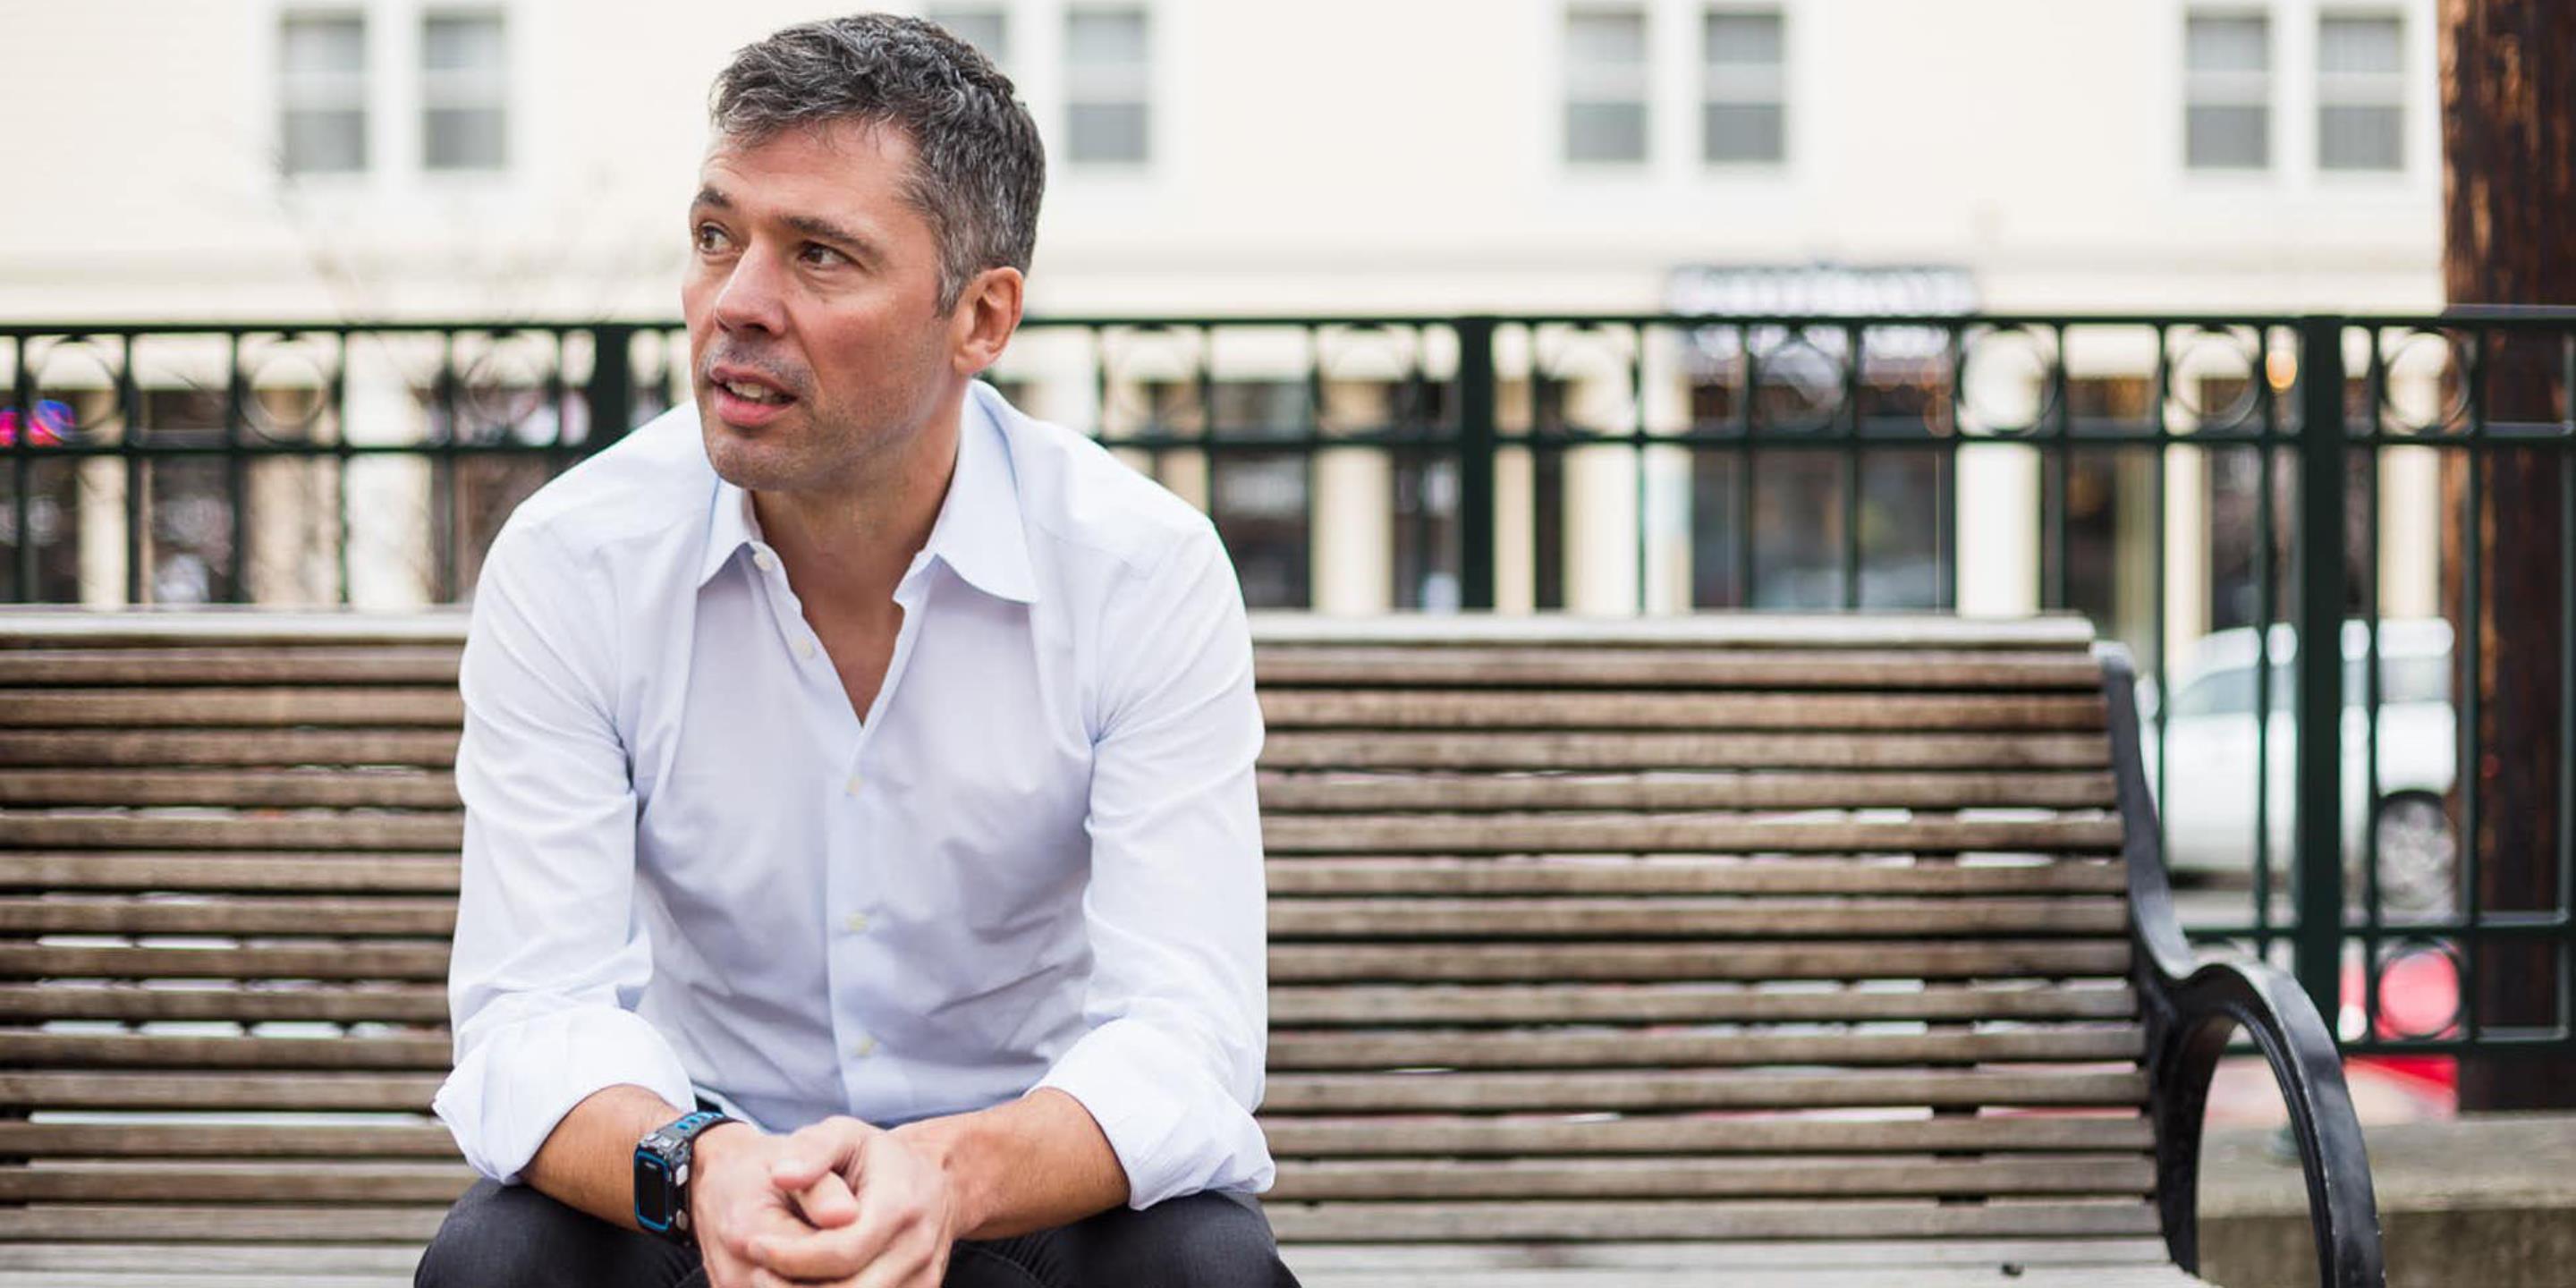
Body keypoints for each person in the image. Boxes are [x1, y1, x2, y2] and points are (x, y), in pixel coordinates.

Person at [412, 14, 1292, 1287]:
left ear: (980, 317)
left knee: (1208, 1270)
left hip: (1018, 1172)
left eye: (818, 255)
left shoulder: (1137, 569)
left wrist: (947, 1175)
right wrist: (703, 1168)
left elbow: (1185, 1035)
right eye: (716, 237)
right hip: (698, 1166)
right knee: (496, 1264)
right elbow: (533, 1014)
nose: (735, 304)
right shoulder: (576, 559)